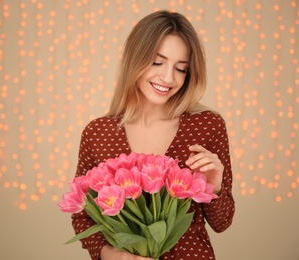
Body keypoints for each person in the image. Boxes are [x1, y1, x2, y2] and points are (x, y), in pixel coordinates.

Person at [71, 10, 235, 260]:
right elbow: (83, 214)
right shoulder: (98, 133)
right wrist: (108, 254)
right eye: (157, 62)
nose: (168, 78)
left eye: (181, 68)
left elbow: (222, 224)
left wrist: (216, 187)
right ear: (135, 60)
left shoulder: (207, 126)